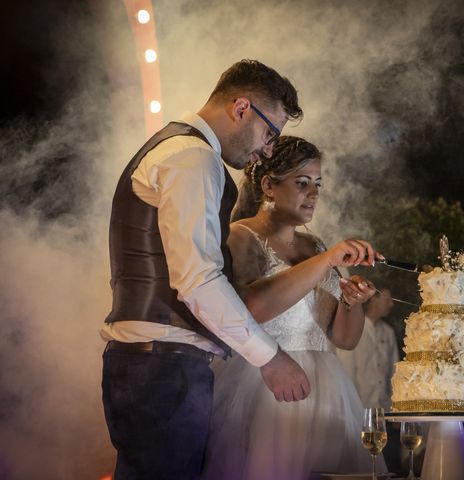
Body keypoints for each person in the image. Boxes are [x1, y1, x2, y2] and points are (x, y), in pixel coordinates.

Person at [101, 60, 322, 479]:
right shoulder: (192, 157)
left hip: (151, 365)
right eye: (269, 132)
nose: (268, 150)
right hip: (162, 367)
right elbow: (198, 279)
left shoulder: (177, 149)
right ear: (241, 108)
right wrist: (270, 358)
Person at [202, 136, 384, 480]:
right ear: (269, 186)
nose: (313, 194)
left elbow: (344, 339)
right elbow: (251, 308)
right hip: (265, 388)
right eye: (302, 184)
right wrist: (328, 260)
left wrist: (351, 302)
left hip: (328, 390)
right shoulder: (241, 236)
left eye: (318, 184)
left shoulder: (315, 244)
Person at [337, 288, 399, 410]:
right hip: (359, 406)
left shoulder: (388, 332)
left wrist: (395, 404)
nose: (391, 304)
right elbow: (346, 370)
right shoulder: (353, 330)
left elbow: (394, 371)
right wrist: (350, 406)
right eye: (387, 299)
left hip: (384, 409)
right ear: (373, 299)